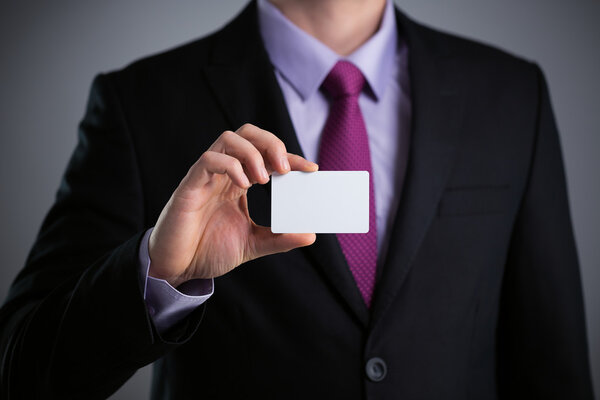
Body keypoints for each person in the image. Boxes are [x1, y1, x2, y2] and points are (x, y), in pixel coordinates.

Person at [0, 0, 594, 398]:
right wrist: (158, 273)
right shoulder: (140, 104)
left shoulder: (512, 95)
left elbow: (552, 366)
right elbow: (19, 370)